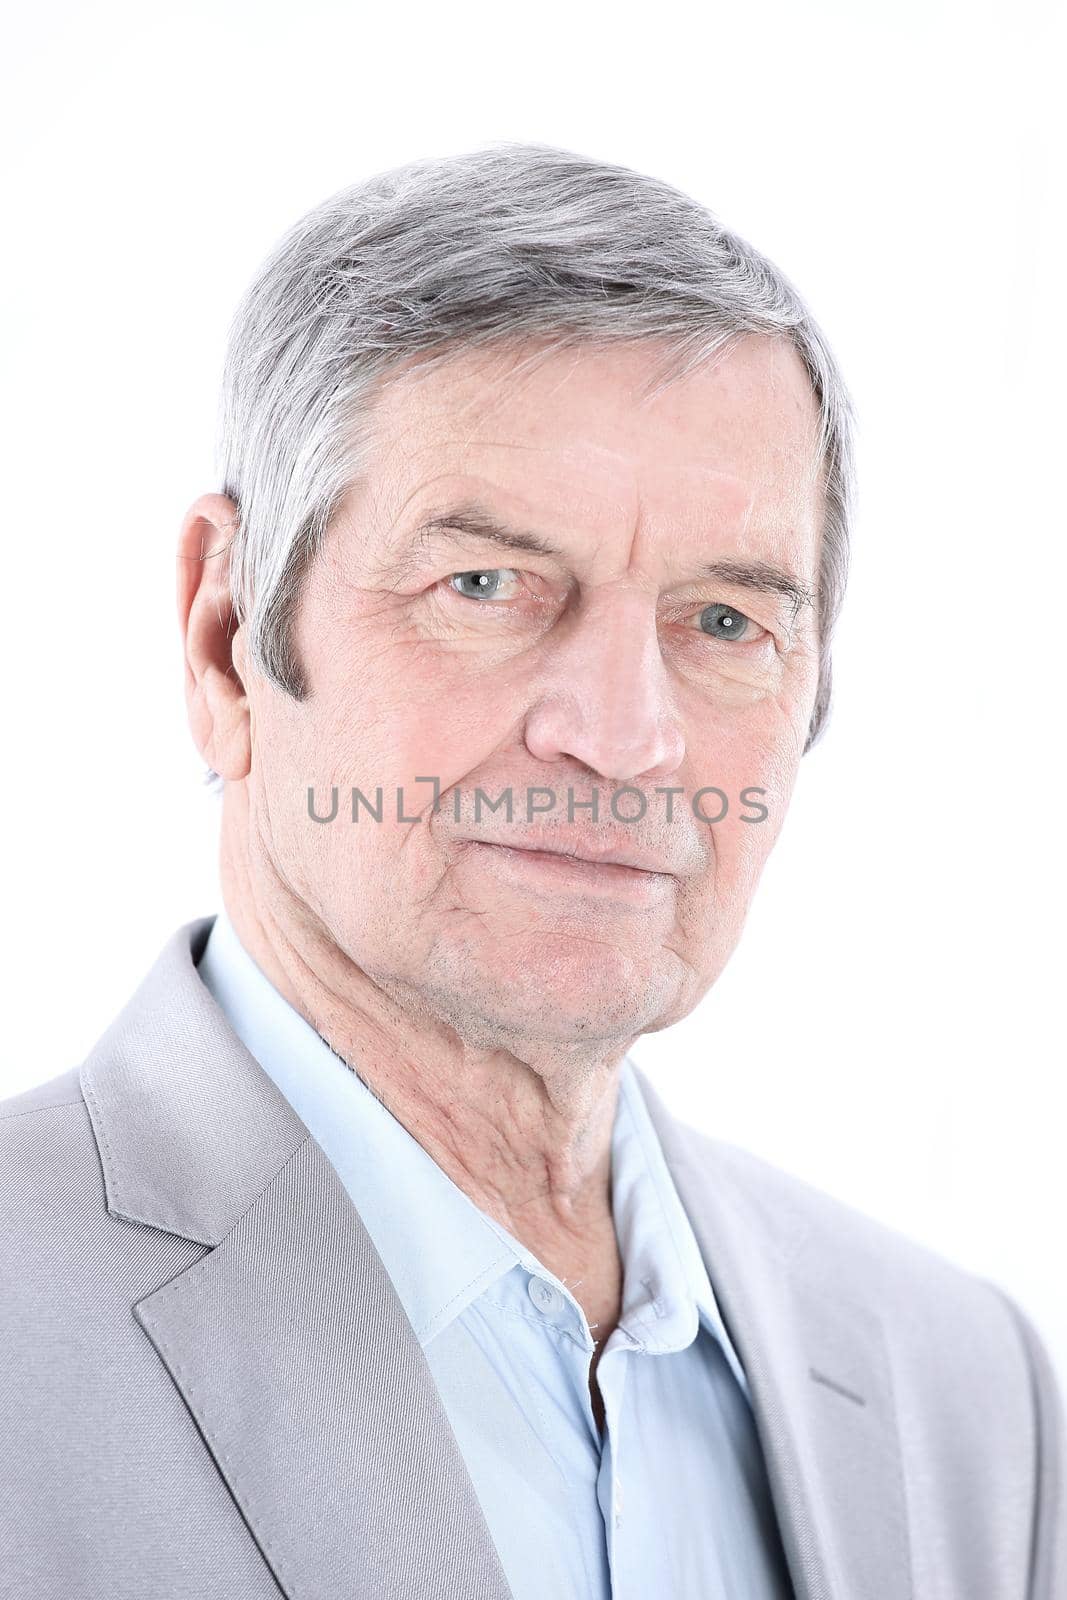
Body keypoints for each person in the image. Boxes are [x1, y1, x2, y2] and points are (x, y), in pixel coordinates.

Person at [1, 142, 1062, 1600]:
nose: (625, 740)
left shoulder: (967, 1394)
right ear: (226, 636)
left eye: (723, 620)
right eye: (486, 586)